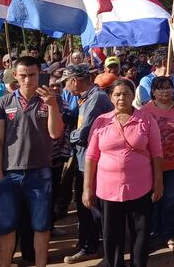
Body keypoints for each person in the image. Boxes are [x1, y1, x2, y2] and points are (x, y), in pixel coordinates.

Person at [0, 56, 64, 267]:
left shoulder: (51, 99)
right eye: (22, 75)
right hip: (9, 173)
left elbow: (55, 133)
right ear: (15, 75)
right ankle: (4, 264)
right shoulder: (3, 102)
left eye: (32, 75)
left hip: (40, 173)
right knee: (6, 226)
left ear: (39, 74)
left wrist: (51, 106)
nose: (27, 80)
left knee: (41, 226)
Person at [83, 79, 164, 267]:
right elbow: (91, 156)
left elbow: (157, 153)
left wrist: (158, 182)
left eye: (126, 93)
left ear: (133, 96)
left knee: (141, 233)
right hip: (108, 189)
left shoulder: (146, 120)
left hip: (140, 187)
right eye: (117, 94)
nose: (122, 98)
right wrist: (87, 188)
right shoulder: (101, 121)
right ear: (111, 97)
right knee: (112, 234)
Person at [65, 65, 115, 264]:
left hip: (91, 161)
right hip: (83, 159)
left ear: (75, 80)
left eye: (66, 82)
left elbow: (83, 133)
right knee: (85, 204)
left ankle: (93, 247)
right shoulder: (86, 97)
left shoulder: (96, 98)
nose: (65, 87)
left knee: (90, 205)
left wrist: (68, 135)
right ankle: (89, 241)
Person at [141, 76, 174, 251]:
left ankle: (168, 233)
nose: (165, 91)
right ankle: (151, 231)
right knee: (153, 198)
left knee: (171, 199)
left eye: (168, 87)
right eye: (160, 88)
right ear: (153, 92)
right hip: (151, 165)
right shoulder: (145, 111)